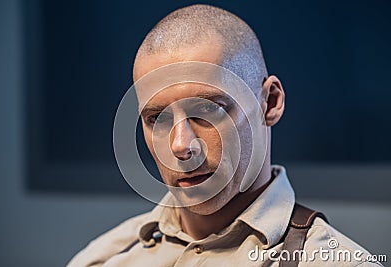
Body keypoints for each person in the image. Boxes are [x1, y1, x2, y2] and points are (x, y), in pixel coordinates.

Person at [68, 4, 382, 267]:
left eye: (208, 111)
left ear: (269, 102)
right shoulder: (102, 259)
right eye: (157, 118)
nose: (180, 146)